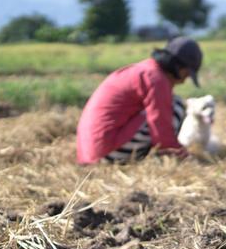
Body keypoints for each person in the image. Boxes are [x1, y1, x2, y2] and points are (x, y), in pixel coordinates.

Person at [76, 37, 204, 164]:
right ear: (177, 66)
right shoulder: (156, 79)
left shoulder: (144, 70)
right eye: (186, 74)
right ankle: (167, 155)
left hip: (91, 152)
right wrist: (178, 152)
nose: (183, 81)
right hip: (108, 152)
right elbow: (160, 123)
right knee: (176, 105)